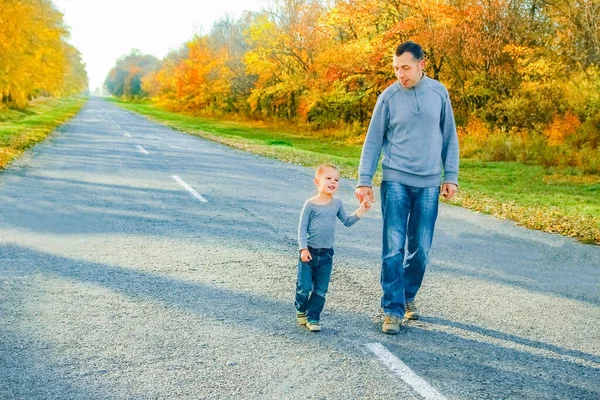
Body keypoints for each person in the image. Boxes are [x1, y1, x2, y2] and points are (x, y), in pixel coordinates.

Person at [355, 41, 459, 334]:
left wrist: (450, 176)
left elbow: (449, 137)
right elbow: (373, 141)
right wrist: (365, 180)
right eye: (396, 68)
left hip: (428, 183)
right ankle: (392, 308)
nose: (400, 74)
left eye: (406, 68)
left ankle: (406, 295)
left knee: (421, 249)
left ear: (421, 64)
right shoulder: (388, 98)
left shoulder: (439, 93)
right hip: (396, 180)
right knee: (393, 248)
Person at [296, 163, 370, 332]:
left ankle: (313, 317)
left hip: (326, 255)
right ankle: (301, 307)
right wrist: (303, 249)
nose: (333, 182)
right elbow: (301, 228)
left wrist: (361, 210)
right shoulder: (310, 204)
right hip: (309, 253)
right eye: (328, 178)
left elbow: (347, 221)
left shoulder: (337, 203)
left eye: (336, 179)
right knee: (304, 288)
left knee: (321, 289)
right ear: (317, 181)